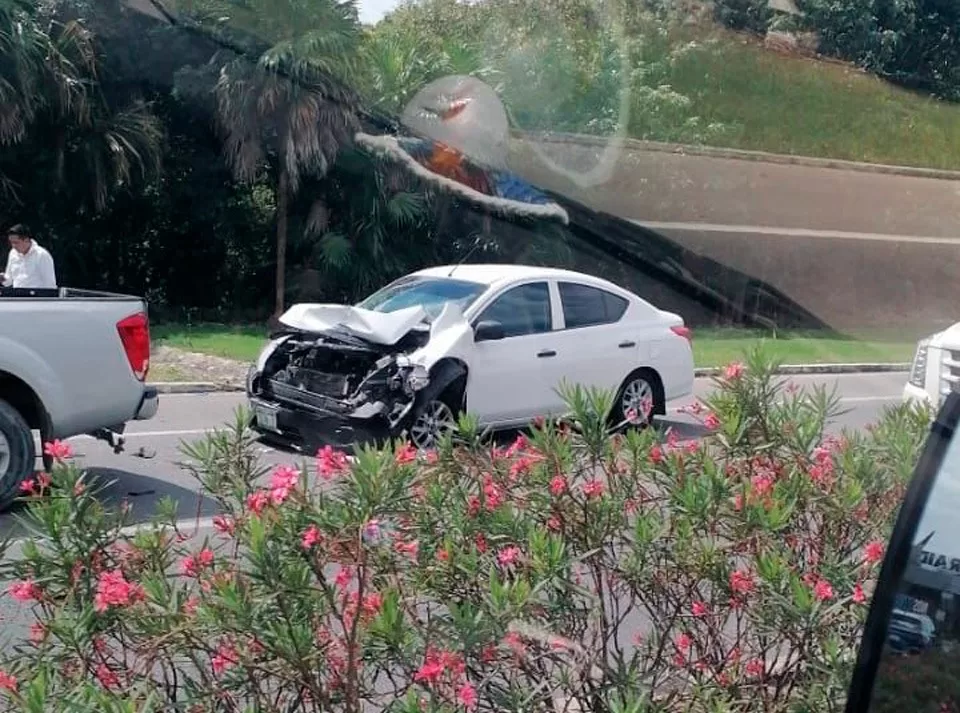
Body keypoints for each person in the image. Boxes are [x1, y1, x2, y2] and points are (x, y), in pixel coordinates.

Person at [0, 224, 57, 289]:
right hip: (17, 296)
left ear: (26, 240)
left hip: (36, 297)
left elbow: (50, 284)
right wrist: (2, 278)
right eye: (11, 242)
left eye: (16, 242)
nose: (13, 246)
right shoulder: (13, 253)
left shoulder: (42, 255)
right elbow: (8, 282)